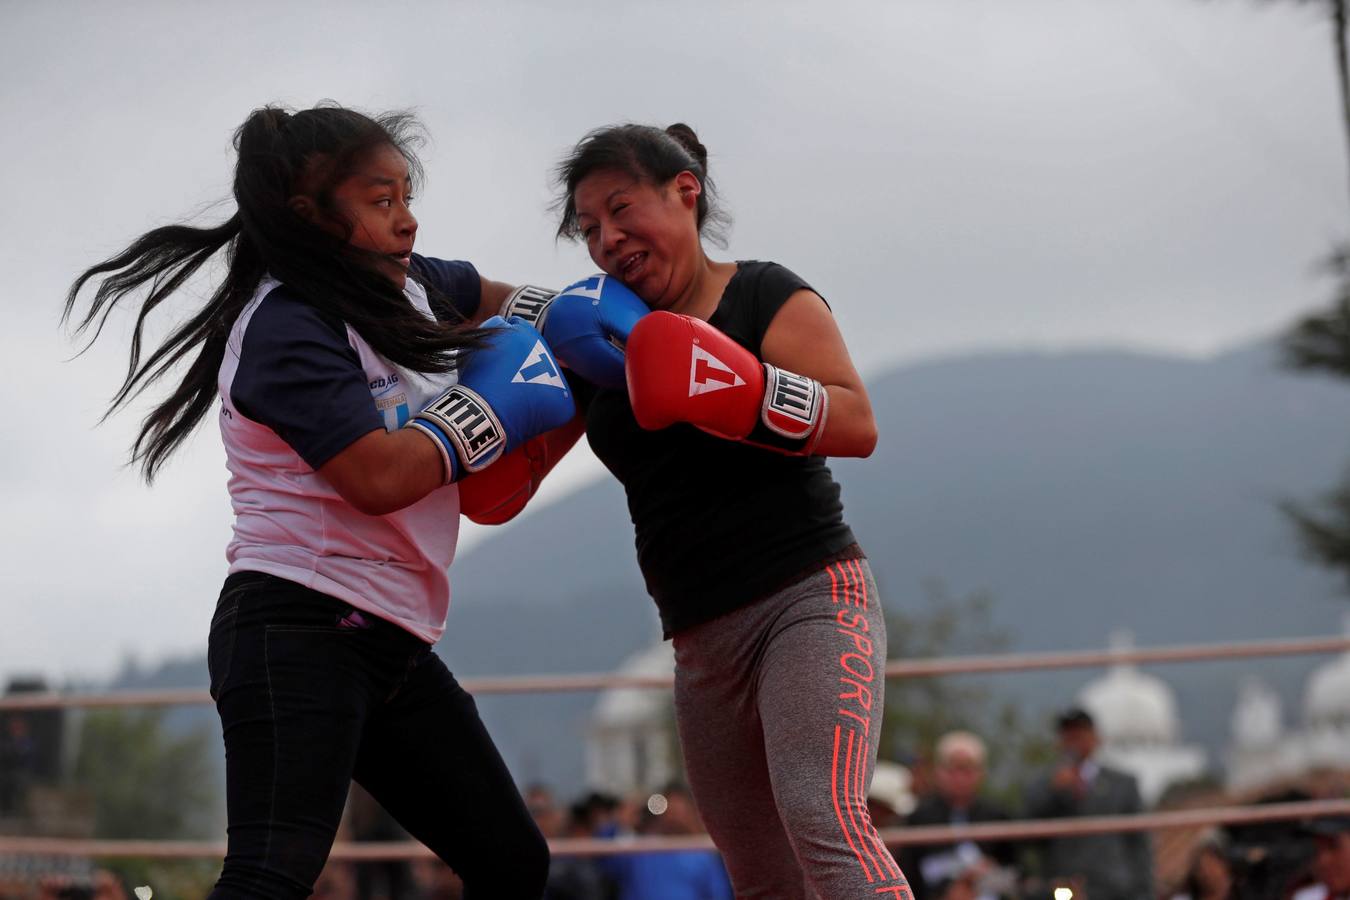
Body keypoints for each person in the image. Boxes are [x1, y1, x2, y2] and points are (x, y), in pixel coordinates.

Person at [63, 103, 579, 899]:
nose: (406, 220)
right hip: (297, 625)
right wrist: (491, 412)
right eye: (381, 201)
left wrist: (611, 322)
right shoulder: (287, 327)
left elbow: (508, 303)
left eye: (407, 195)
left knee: (512, 863)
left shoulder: (414, 287)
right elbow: (375, 478)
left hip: (392, 639)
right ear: (310, 218)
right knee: (272, 875)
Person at [513, 122, 908, 899]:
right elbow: (499, 309)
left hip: (808, 600)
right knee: (759, 874)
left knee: (822, 816)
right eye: (589, 228)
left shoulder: (764, 293)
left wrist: (744, 389)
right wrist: (439, 286)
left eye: (623, 210)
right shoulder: (601, 339)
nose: (608, 239)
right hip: (697, 641)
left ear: (685, 193)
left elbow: (857, 422)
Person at [1024, 708, 1154, 900]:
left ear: (1095, 738)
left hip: (1112, 889)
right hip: (1060, 889)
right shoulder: (1044, 784)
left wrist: (1143, 892)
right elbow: (1028, 836)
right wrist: (1054, 792)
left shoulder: (1122, 784)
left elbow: (1139, 844)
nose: (1074, 742)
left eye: (1080, 734)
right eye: (1068, 736)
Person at [899, 731, 1017, 900]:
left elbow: (1014, 871)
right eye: (953, 769)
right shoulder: (919, 818)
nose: (960, 778)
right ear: (939, 772)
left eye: (967, 769)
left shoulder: (997, 816)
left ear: (980, 774)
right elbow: (908, 876)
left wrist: (989, 872)